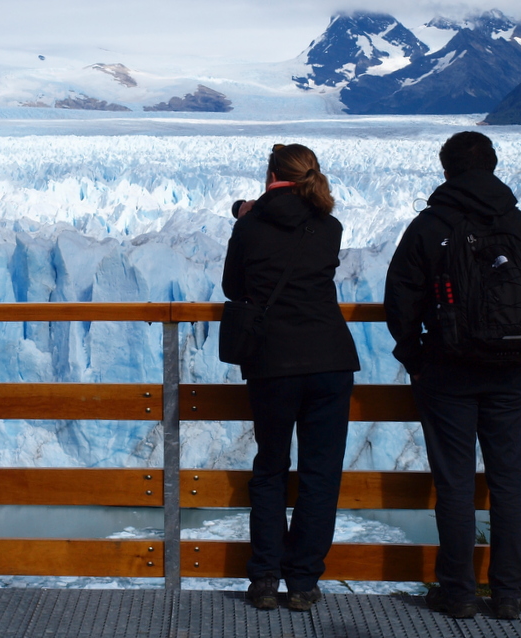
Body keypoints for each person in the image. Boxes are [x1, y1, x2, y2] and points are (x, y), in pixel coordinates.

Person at [384, 131, 521, 620]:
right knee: (509, 481)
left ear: (446, 170)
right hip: (509, 376)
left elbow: (399, 300)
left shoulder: (428, 227)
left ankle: (459, 592)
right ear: (492, 166)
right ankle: (509, 594)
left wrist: (416, 359)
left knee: (455, 484)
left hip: (447, 375)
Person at [222, 144, 360, 612]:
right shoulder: (329, 224)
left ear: (270, 175)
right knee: (321, 474)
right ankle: (302, 583)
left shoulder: (250, 225)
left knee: (270, 470)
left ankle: (264, 579)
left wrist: (248, 215)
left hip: (273, 364)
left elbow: (233, 288)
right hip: (330, 361)